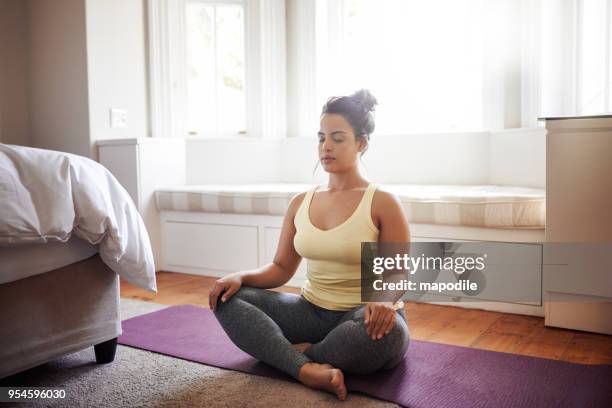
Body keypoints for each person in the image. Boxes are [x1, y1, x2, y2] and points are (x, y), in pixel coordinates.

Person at [209, 89, 410, 401]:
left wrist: (383, 300)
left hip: (361, 317)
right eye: (321, 138)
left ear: (362, 143)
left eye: (338, 138)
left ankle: (292, 354)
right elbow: (280, 269)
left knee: (390, 336)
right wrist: (240, 277)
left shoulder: (382, 202)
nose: (326, 146)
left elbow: (397, 274)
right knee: (226, 299)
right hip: (309, 312)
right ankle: (306, 369)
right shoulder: (301, 202)